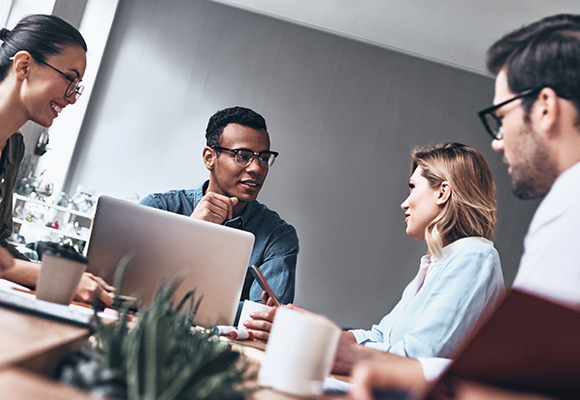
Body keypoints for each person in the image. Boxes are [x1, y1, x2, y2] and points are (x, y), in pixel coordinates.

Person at [349, 13, 580, 400]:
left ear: (544, 107)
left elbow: (517, 383)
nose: (498, 141)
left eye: (501, 118)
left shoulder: (568, 203)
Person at [246, 142, 505, 375]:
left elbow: (418, 358)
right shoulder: (435, 263)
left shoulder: (475, 257)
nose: (405, 203)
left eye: (413, 187)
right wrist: (309, 326)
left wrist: (317, 342)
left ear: (442, 193)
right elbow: (381, 336)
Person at [140, 106, 299, 317]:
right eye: (243, 156)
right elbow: (124, 283)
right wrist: (189, 232)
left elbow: (260, 319)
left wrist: (167, 299)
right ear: (209, 158)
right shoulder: (159, 208)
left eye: (263, 157)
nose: (257, 168)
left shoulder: (278, 237)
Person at [0, 14, 114, 305]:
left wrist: (60, 275)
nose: (72, 98)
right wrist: (51, 277)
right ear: (24, 65)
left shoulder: (13, 147)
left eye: (77, 86)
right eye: (69, 79)